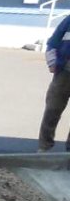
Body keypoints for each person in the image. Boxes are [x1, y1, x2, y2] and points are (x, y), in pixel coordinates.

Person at [39, 13, 70, 152]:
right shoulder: (68, 20)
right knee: (52, 109)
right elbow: (53, 42)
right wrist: (52, 62)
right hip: (64, 73)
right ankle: (44, 147)